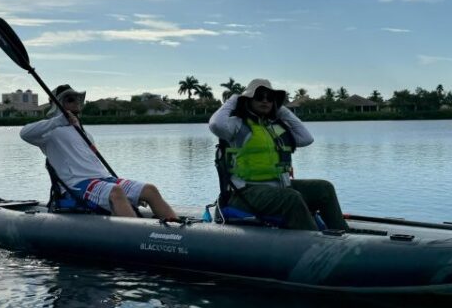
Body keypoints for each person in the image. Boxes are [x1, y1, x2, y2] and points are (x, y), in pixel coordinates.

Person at [20, 84, 178, 221]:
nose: (76, 102)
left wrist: (130, 195)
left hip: (104, 178)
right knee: (116, 192)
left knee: (150, 190)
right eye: (70, 99)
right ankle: (139, 235)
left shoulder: (85, 133)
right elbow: (24, 133)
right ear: (57, 104)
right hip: (77, 184)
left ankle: (176, 229)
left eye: (78, 99)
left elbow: (94, 164)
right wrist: (58, 121)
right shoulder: (49, 132)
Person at [208, 78, 348, 231]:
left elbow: (306, 138)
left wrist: (281, 109)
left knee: (324, 188)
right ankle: (314, 240)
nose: (265, 101)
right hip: (245, 192)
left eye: (270, 98)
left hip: (279, 186)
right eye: (259, 97)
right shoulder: (237, 124)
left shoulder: (275, 127)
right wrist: (235, 99)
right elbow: (215, 124)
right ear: (248, 100)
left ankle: (342, 233)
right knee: (291, 197)